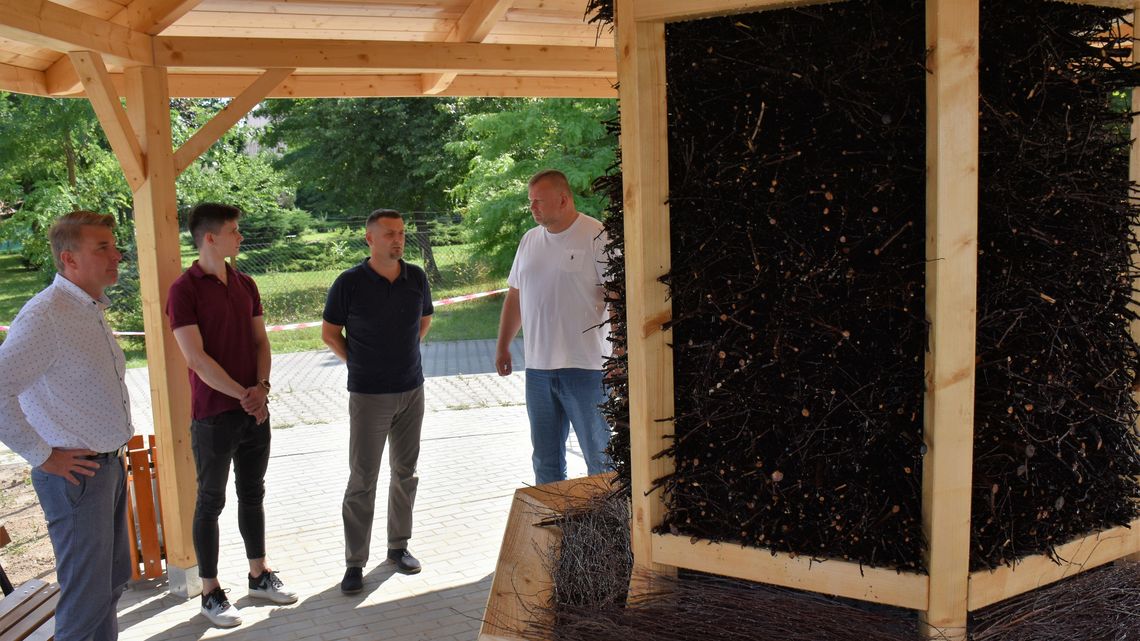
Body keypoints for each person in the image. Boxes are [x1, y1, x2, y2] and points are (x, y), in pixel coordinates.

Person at [0, 211, 133, 641]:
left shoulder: (85, 308)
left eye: (113, 245)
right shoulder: (47, 316)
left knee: (108, 589)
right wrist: (42, 455)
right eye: (103, 248)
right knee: (84, 602)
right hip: (76, 476)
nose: (117, 255)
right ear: (69, 259)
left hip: (106, 469)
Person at [166, 203, 297, 628]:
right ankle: (210, 592)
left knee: (253, 492)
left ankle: (259, 574)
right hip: (213, 416)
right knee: (210, 502)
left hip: (253, 410)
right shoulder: (183, 290)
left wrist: (261, 390)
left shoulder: (245, 283)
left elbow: (261, 342)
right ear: (210, 238)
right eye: (234, 231)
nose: (241, 237)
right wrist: (245, 394)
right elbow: (196, 359)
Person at [322, 209, 433, 595]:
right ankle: (355, 563)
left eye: (400, 233)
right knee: (362, 479)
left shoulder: (415, 276)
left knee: (406, 473)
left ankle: (398, 547)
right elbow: (329, 333)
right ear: (369, 238)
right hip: (368, 395)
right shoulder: (349, 283)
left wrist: (405, 354)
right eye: (389, 233)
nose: (397, 239)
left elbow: (424, 320)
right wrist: (359, 361)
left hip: (411, 390)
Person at [495, 169, 613, 485]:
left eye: (539, 201)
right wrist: (503, 344)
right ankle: (555, 531)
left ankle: (608, 530)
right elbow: (515, 296)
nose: (533, 208)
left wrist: (622, 353)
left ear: (563, 199)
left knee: (600, 460)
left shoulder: (597, 235)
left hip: (587, 368)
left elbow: (618, 296)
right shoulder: (529, 240)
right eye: (530, 202)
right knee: (546, 465)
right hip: (538, 371)